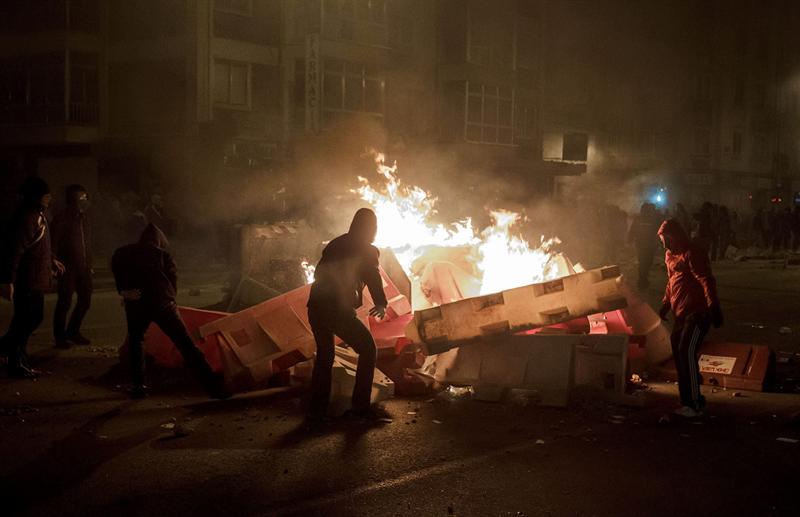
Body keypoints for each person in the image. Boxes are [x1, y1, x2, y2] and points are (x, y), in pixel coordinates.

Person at [111, 223, 228, 400]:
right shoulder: (163, 255)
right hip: (162, 304)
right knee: (185, 344)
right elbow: (173, 281)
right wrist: (170, 298)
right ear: (159, 241)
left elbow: (117, 267)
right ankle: (213, 386)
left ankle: (138, 386)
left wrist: (124, 291)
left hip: (136, 302)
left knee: (136, 341)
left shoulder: (123, 252)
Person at [306, 208, 388, 424]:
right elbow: (373, 276)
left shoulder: (336, 243)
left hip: (315, 306)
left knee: (325, 356)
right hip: (336, 309)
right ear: (369, 228)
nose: (375, 231)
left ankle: (316, 412)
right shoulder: (367, 250)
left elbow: (319, 273)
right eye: (374, 227)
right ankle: (360, 409)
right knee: (368, 349)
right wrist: (381, 302)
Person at [657, 219, 724, 418]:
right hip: (680, 313)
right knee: (679, 353)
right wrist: (665, 303)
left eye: (667, 239)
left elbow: (706, 280)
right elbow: (671, 281)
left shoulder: (693, 253)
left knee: (686, 351)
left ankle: (695, 404)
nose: (665, 244)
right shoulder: (670, 255)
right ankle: (687, 401)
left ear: (676, 236)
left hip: (697, 312)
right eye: (662, 240)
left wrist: (713, 306)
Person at [0, 177, 65, 378]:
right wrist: (8, 280)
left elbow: (39, 245)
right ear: (36, 197)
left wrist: (51, 260)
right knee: (27, 319)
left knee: (29, 319)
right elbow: (14, 251)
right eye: (46, 195)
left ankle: (18, 357)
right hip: (27, 279)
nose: (49, 198)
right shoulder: (27, 218)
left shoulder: (39, 215)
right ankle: (12, 357)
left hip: (35, 278)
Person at [51, 185, 93, 348]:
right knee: (64, 302)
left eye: (85, 197)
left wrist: (89, 263)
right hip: (67, 268)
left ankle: (73, 331)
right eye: (81, 198)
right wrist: (53, 260)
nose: (85, 201)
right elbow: (54, 242)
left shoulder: (85, 218)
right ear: (72, 200)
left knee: (85, 300)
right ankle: (60, 337)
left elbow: (87, 243)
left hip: (84, 267)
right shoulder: (62, 219)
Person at [627, 202, 660, 289]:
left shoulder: (649, 219)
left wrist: (629, 239)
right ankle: (642, 281)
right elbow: (633, 230)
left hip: (643, 245)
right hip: (646, 245)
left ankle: (643, 278)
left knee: (645, 262)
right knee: (645, 262)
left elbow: (632, 230)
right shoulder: (649, 219)